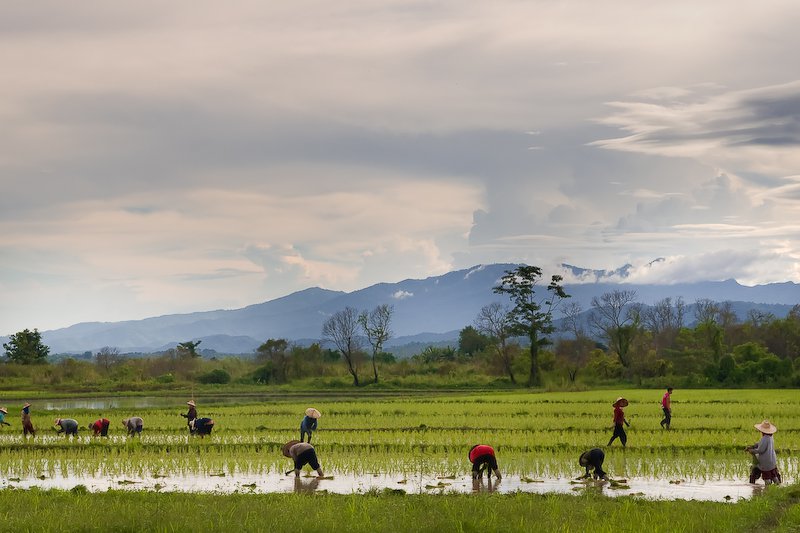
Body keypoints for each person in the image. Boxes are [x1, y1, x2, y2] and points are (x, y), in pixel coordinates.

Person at [746, 420, 781, 485]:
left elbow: (760, 450)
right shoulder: (770, 437)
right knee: (774, 475)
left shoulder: (764, 438)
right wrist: (754, 446)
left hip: (765, 462)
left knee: (767, 477)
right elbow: (760, 444)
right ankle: (778, 487)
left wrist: (752, 451)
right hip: (772, 461)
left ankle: (768, 489)